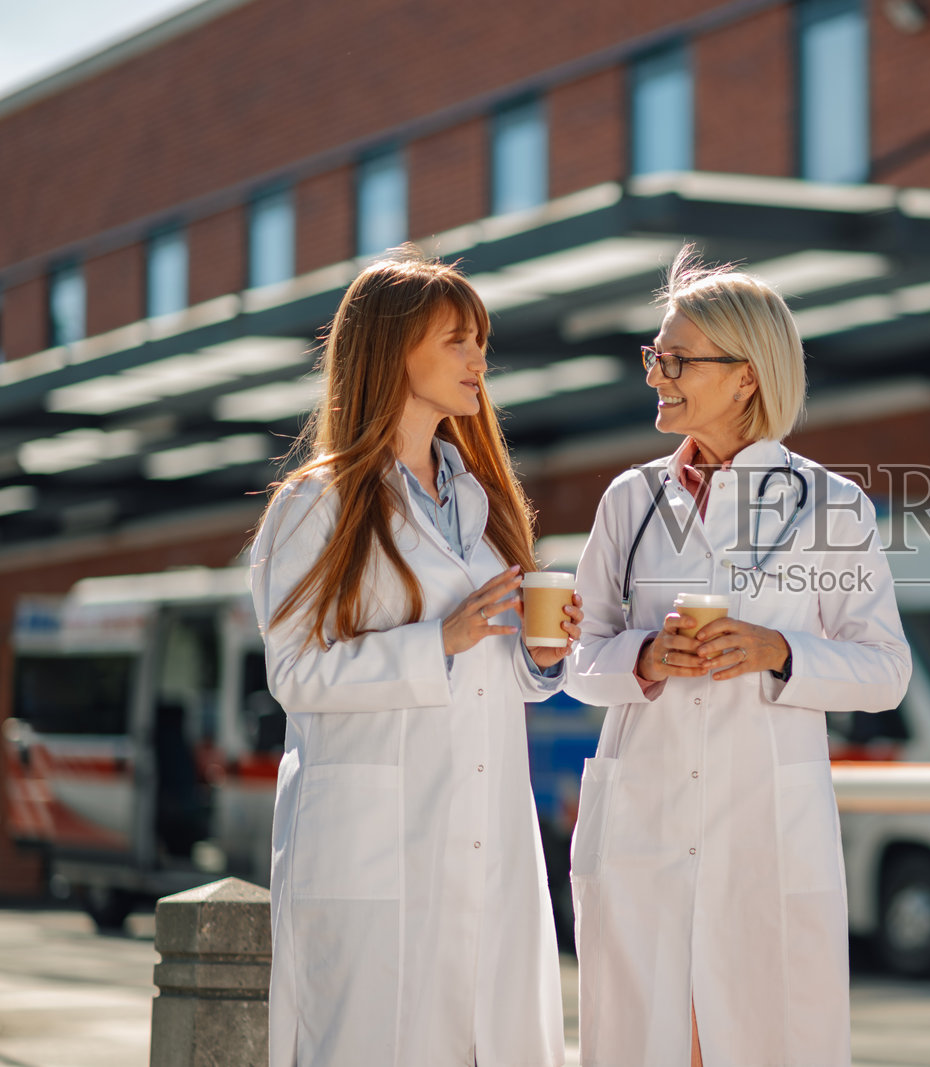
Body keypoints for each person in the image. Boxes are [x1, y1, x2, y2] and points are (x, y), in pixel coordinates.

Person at [566, 248, 912, 1066]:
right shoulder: (629, 500)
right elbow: (578, 655)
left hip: (766, 836)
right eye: (655, 356)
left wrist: (779, 649)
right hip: (645, 827)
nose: (658, 376)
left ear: (746, 376)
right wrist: (644, 657)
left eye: (677, 359)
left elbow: (885, 668)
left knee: (761, 1037)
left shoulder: (831, 504)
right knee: (643, 1039)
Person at [249, 250, 579, 1067]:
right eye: (457, 341)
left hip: (485, 835)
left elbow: (494, 676)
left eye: (482, 342)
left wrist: (540, 654)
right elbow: (294, 673)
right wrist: (439, 640)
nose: (480, 360)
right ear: (392, 350)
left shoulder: (483, 501)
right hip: (372, 855)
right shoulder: (314, 505)